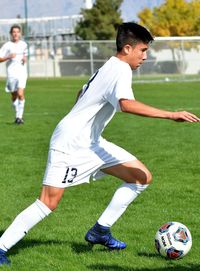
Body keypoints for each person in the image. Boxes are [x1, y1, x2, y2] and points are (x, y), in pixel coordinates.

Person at [0, 22, 199, 266]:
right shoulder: (121, 69)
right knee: (48, 202)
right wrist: (171, 114)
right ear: (127, 48)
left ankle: (100, 231)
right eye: (143, 51)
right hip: (70, 143)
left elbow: (80, 92)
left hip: (91, 142)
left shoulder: (110, 65)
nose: (145, 57)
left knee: (141, 177)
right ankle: (1, 246)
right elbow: (126, 104)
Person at [0, 25, 27, 124]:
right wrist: (8, 56)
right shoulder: (7, 45)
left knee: (20, 94)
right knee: (14, 95)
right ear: (11, 34)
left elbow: (25, 55)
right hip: (11, 74)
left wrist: (25, 59)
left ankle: (19, 117)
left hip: (22, 73)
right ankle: (17, 115)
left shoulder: (24, 44)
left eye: (17, 32)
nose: (16, 34)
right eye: (14, 32)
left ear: (20, 33)